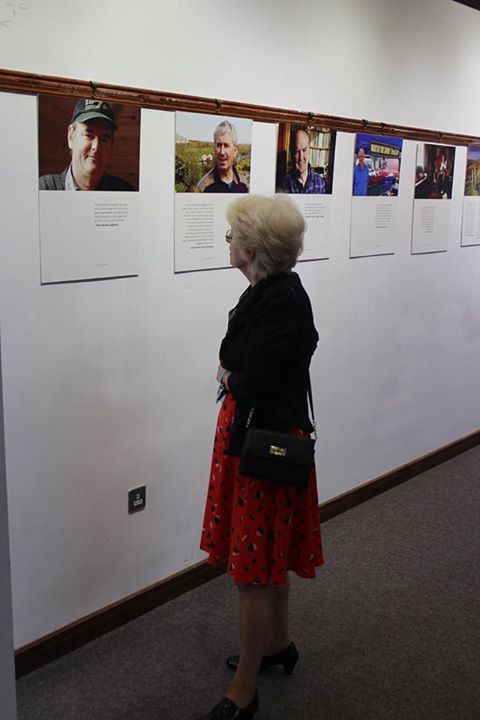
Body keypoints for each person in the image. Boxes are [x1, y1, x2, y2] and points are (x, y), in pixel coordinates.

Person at [197, 195, 324, 720]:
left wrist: (227, 376)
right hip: (255, 437)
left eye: (233, 235)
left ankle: (244, 690)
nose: (228, 242)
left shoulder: (279, 301)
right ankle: (277, 645)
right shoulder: (272, 291)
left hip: (262, 446)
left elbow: (255, 381)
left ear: (252, 249)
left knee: (251, 570)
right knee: (267, 557)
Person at [39, 99, 134, 191]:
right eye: (89, 135)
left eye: (104, 139)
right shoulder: (42, 189)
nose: (96, 146)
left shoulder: (125, 193)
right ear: (71, 136)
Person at [196, 120, 249, 193]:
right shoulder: (203, 188)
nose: (222, 152)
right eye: (219, 145)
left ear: (235, 151)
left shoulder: (244, 185)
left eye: (226, 145)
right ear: (214, 149)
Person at [282, 129, 325, 194]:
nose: (301, 158)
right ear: (291, 154)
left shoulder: (320, 182)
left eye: (304, 150)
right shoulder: (284, 183)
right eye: (297, 152)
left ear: (309, 151)